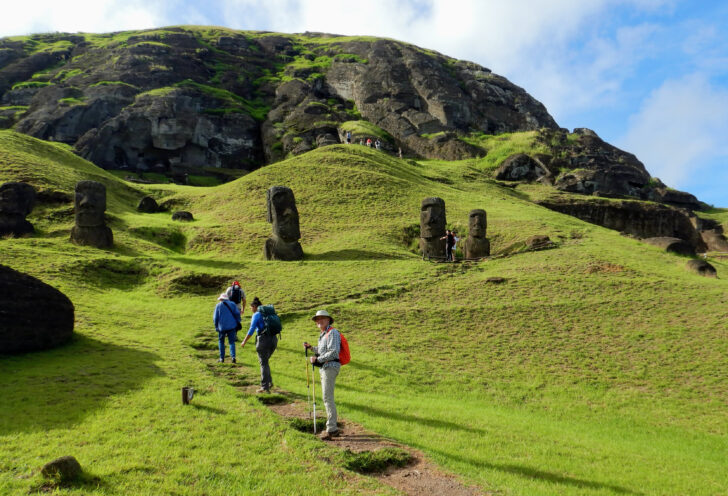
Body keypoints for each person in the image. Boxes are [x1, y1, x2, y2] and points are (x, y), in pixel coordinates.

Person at [303, 310, 341, 439]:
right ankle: (332, 427)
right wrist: (312, 348)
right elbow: (322, 350)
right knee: (326, 397)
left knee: (327, 397)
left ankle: (332, 429)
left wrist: (317, 359)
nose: (319, 321)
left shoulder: (333, 333)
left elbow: (334, 352)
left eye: (322, 318)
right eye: (317, 319)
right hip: (325, 367)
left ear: (329, 320)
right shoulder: (323, 335)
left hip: (330, 366)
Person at [240, 297, 277, 393]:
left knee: (263, 363)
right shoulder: (268, 314)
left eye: (251, 307)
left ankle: (265, 387)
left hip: (263, 340)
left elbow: (251, 329)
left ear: (255, 306)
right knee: (265, 362)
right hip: (274, 340)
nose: (250, 309)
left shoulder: (256, 315)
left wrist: (244, 341)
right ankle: (269, 382)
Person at [213, 293, 241, 363]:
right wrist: (238, 321)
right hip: (232, 326)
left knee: (221, 342)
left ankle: (222, 358)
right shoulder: (233, 304)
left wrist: (216, 326)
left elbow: (215, 318)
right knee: (232, 342)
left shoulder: (218, 305)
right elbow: (237, 314)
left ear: (221, 299)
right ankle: (233, 357)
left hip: (221, 327)